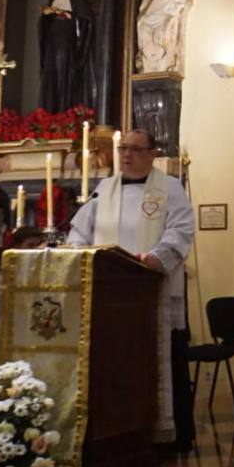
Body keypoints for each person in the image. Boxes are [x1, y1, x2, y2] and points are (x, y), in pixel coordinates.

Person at [69, 128, 195, 449]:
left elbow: (180, 230)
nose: (126, 155)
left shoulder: (170, 188)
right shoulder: (104, 189)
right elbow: (79, 232)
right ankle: (118, 430)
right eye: (123, 148)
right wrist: (77, 254)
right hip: (110, 297)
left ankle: (165, 434)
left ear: (152, 154)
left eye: (136, 149)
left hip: (152, 289)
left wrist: (155, 257)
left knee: (160, 362)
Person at [38, 0, 96, 112]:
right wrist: (47, 15)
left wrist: (66, 14)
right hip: (53, 41)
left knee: (65, 71)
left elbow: (85, 19)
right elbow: (45, 22)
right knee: (53, 73)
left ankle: (66, 109)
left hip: (67, 41)